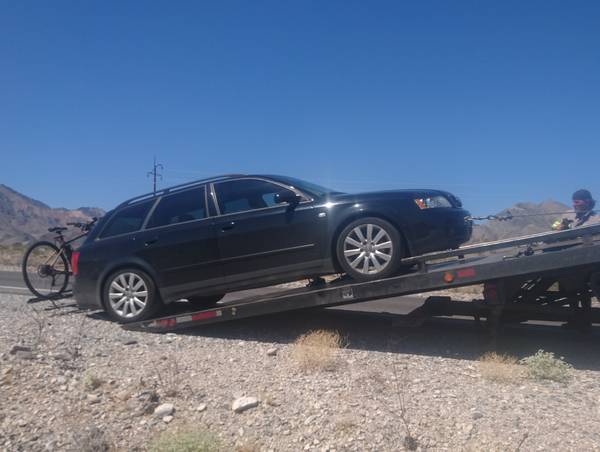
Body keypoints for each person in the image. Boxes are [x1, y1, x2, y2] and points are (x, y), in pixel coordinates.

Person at [551, 189, 599, 330]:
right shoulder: (568, 214)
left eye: (578, 201)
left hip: (587, 263)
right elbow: (556, 230)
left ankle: (586, 321)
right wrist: (559, 228)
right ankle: (575, 318)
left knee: (584, 291)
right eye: (573, 201)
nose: (574, 204)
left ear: (587, 201)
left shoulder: (596, 219)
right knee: (569, 291)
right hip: (567, 260)